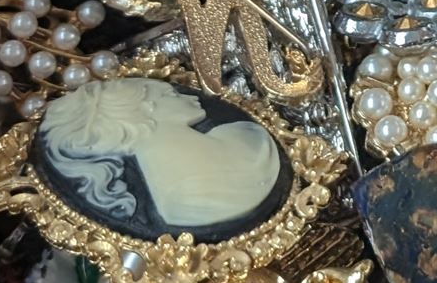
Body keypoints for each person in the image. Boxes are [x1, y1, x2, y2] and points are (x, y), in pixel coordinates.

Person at [40, 76, 281, 233]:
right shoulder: (186, 203)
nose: (189, 95)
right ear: (143, 116)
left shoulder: (241, 134)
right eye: (170, 95)